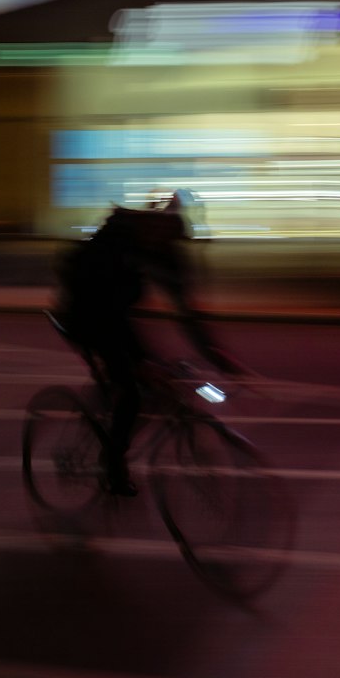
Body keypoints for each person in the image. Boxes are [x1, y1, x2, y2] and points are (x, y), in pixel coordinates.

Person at [52, 192, 236, 496]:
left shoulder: (166, 254)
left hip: (117, 316)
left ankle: (114, 398)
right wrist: (138, 362)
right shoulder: (115, 245)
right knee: (132, 391)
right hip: (84, 314)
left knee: (155, 377)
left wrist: (218, 358)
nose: (163, 240)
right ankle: (112, 463)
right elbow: (103, 312)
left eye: (172, 235)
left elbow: (187, 314)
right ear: (152, 224)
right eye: (160, 231)